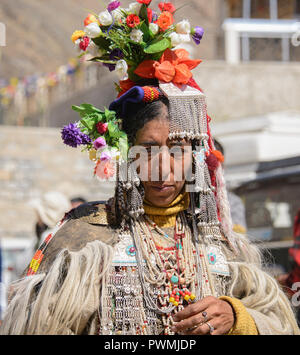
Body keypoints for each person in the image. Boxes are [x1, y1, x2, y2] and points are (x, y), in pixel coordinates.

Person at [1, 1, 299, 335]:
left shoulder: (226, 247)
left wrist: (237, 317)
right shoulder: (83, 239)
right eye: (148, 149)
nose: (163, 169)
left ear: (197, 155)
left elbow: (281, 322)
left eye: (177, 150)